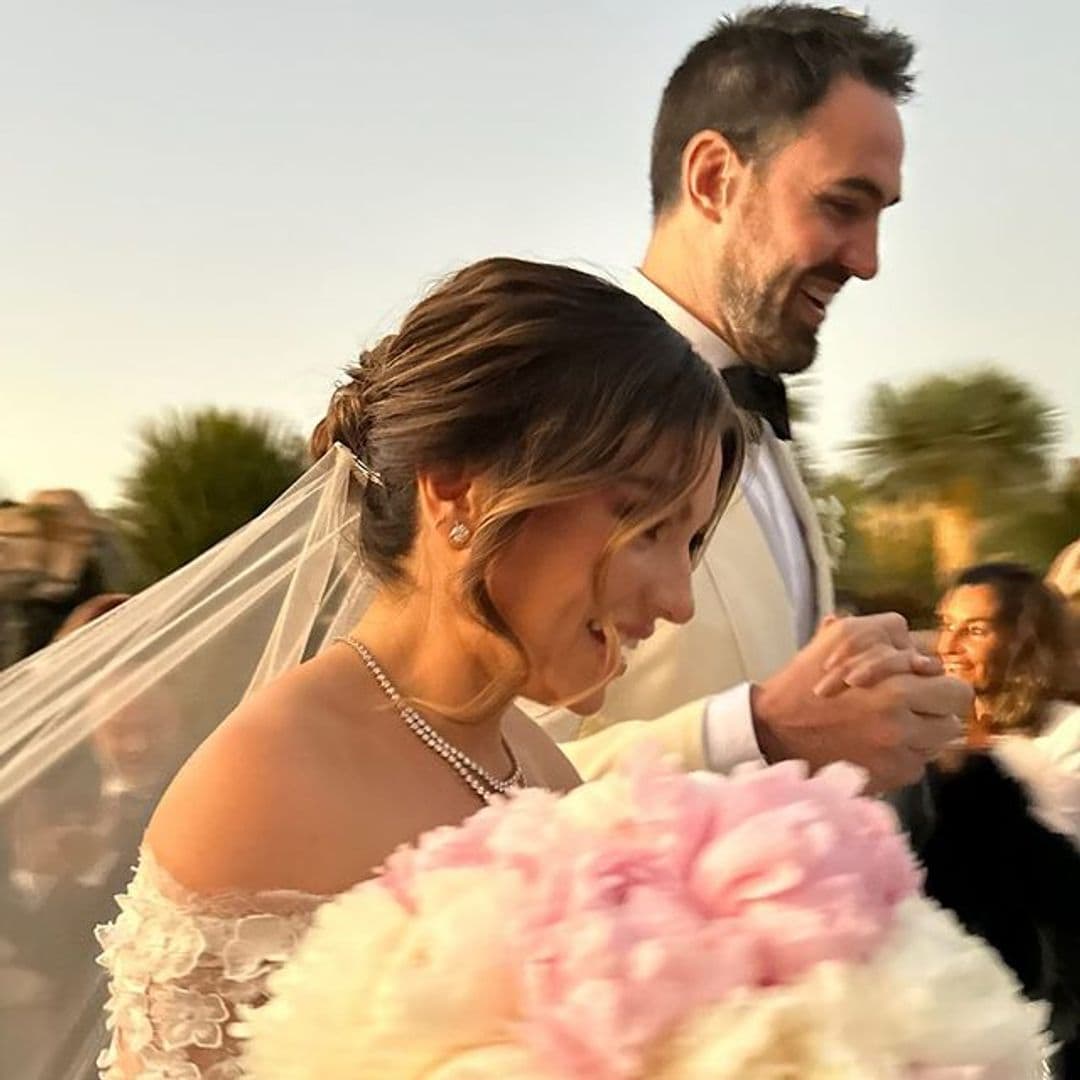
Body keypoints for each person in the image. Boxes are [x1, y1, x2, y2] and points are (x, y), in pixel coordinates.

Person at [91, 257, 751, 1077]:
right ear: (459, 489)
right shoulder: (266, 786)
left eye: (689, 543)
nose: (679, 598)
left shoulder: (542, 771)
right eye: (644, 525)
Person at [548, 4, 972, 791]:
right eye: (842, 206)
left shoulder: (763, 426)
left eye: (880, 216)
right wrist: (758, 731)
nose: (869, 261)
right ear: (714, 179)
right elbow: (440, 771)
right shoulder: (554, 407)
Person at [897, 563, 1080, 1077]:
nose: (948, 644)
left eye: (974, 629)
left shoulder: (1068, 736)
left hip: (1047, 1012)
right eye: (945, 623)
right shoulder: (939, 731)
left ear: (1027, 639)